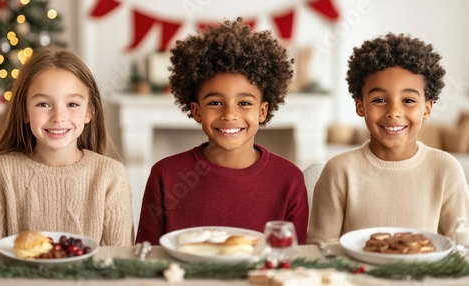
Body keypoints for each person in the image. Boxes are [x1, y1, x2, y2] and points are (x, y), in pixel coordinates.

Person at [136, 17, 309, 245]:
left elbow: (292, 260)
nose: (229, 114)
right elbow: (146, 256)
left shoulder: (289, 179)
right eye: (215, 103)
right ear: (196, 111)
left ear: (262, 111)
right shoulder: (165, 175)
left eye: (244, 103)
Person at [307, 33, 469, 243]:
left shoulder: (446, 169)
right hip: (353, 276)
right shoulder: (339, 170)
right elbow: (321, 248)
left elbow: (462, 249)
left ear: (427, 109)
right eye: (380, 99)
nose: (394, 112)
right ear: (360, 106)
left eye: (408, 100)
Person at [0, 47, 134, 246]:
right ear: (24, 111)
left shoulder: (111, 175)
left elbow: (120, 262)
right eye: (43, 104)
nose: (58, 117)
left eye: (72, 104)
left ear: (89, 112)